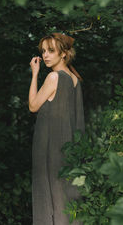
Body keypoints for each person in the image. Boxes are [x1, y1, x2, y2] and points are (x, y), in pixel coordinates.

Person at [29, 32, 84, 225]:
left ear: (64, 54)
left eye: (51, 50)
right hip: (67, 148)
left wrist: (35, 74)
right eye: (43, 51)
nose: (45, 55)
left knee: (48, 196)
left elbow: (33, 106)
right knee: (65, 197)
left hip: (50, 148)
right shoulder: (75, 79)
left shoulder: (54, 77)